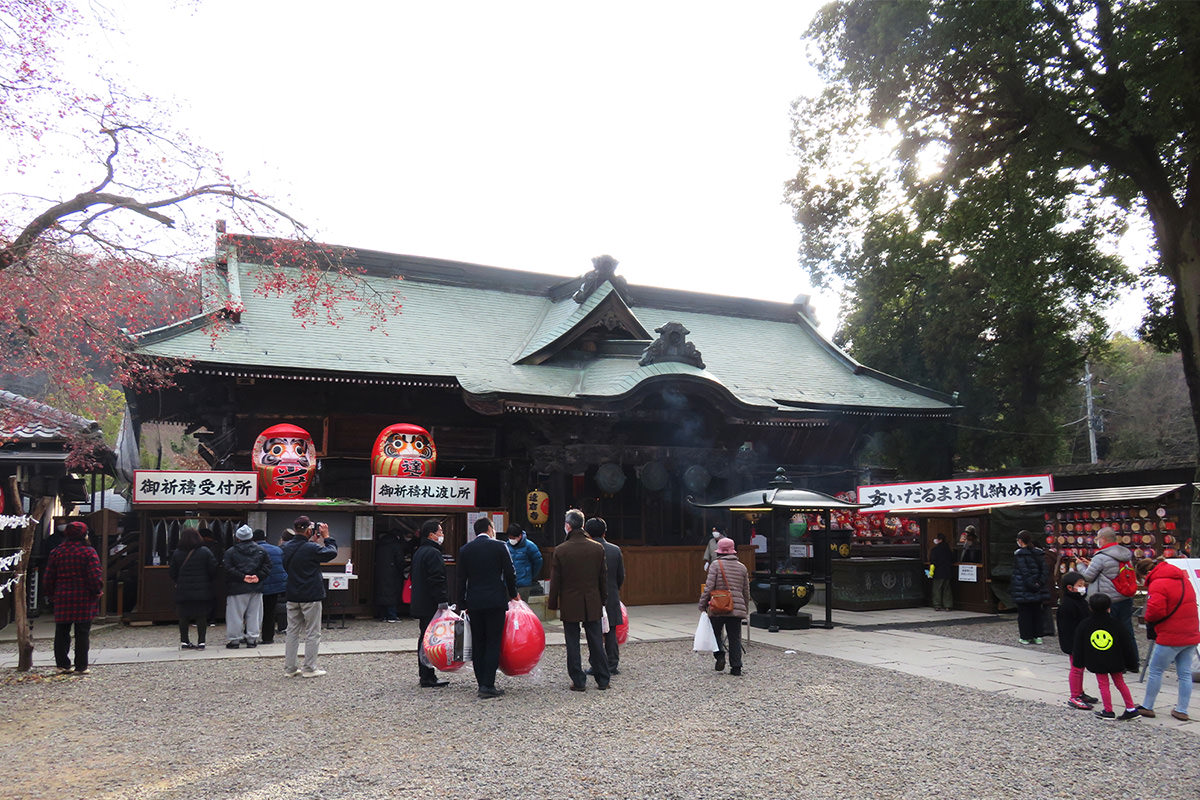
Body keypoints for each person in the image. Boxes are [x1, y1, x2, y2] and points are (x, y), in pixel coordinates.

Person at [456, 516, 518, 698]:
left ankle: (481, 682)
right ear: (490, 529)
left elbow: (461, 579)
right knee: (493, 642)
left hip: (474, 602)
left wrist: (462, 604)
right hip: (495, 601)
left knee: (478, 642)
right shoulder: (499, 546)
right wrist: (513, 594)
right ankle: (488, 684)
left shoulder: (465, 550)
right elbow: (510, 573)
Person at [548, 508, 609, 691]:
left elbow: (555, 581)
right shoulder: (597, 548)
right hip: (592, 599)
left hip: (569, 600)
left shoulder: (561, 550)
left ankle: (578, 680)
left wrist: (553, 603)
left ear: (568, 526)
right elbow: (602, 578)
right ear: (582, 525)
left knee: (572, 642)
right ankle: (603, 679)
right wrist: (603, 599)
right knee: (596, 640)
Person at [1135, 557, 1200, 721]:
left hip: (1170, 634)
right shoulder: (1183, 579)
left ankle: (1148, 706)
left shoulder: (1158, 583)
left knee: (1156, 670)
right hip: (1190, 632)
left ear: (1146, 573)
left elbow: (1156, 611)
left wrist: (1148, 619)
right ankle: (1182, 709)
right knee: (1185, 673)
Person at [281, 516, 338, 677]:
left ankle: (290, 668)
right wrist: (327, 537)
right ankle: (309, 668)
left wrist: (311, 540)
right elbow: (331, 553)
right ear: (308, 530)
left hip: (292, 594)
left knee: (292, 632)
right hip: (311, 594)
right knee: (313, 632)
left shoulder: (285, 547)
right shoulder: (311, 548)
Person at [43, 521, 103, 674]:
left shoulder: (56, 552)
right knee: (82, 632)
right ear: (84, 534)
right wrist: (97, 591)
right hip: (84, 597)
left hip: (62, 596)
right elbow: (94, 576)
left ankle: (62, 664)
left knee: (62, 631)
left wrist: (50, 594)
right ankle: (81, 666)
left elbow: (49, 577)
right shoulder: (89, 552)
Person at [1077, 526, 1138, 667]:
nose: (1097, 541)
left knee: (1111, 632)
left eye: (1097, 538)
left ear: (1103, 539)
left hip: (1108, 600)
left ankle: (1118, 663)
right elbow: (1110, 571)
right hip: (1124, 597)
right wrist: (1091, 564)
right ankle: (1133, 662)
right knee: (1127, 630)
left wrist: (1080, 566)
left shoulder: (1101, 556)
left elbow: (1088, 577)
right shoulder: (1125, 554)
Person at [1072, 592, 1140, 721]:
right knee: (1120, 683)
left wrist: (1078, 662)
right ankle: (1131, 708)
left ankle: (1108, 710)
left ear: (1090, 607)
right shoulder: (1117, 624)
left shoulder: (1085, 624)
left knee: (1103, 685)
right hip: (1116, 659)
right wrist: (1131, 663)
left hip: (1097, 660)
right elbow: (1127, 644)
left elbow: (1078, 645)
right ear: (1109, 608)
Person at [699, 537, 751, 676]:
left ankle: (720, 655)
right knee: (735, 637)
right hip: (736, 608)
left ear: (720, 552)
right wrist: (744, 608)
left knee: (715, 633)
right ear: (733, 551)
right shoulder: (742, 567)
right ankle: (736, 667)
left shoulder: (715, 565)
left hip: (718, 606)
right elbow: (746, 591)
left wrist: (702, 604)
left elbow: (709, 587)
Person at [410, 519, 450, 688]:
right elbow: (437, 579)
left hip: (421, 600)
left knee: (424, 637)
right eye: (440, 531)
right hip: (430, 602)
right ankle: (427, 675)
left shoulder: (420, 551)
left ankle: (426, 673)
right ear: (432, 534)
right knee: (429, 639)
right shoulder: (433, 553)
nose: (442, 535)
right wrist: (442, 600)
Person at [585, 516, 625, 674]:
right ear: (604, 533)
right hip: (611, 593)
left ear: (587, 532)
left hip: (591, 595)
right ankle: (612, 664)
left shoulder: (586, 549)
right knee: (611, 631)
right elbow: (620, 575)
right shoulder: (615, 550)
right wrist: (614, 588)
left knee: (594, 632)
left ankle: (596, 664)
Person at [169, 527, 218, 650]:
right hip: (202, 588)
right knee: (201, 616)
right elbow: (213, 568)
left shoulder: (177, 553)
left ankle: (184, 641)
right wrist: (207, 580)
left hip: (183, 589)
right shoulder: (205, 551)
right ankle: (201, 642)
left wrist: (178, 580)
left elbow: (172, 572)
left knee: (183, 616)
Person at [1056, 571, 1099, 710]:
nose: (1083, 587)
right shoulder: (1067, 605)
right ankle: (1074, 696)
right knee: (1076, 668)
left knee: (1080, 668)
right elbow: (1067, 628)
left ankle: (1080, 692)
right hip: (1074, 642)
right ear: (1070, 587)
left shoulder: (1081, 601)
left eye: (1083, 585)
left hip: (1082, 640)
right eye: (1079, 585)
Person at [223, 524, 270, 648]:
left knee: (235, 614)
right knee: (254, 614)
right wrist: (258, 576)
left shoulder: (230, 552)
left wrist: (242, 576)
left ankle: (234, 640)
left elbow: (228, 568)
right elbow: (268, 566)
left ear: (237, 537)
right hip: (256, 586)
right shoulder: (261, 550)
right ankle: (252, 639)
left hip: (236, 587)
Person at [1010, 530, 1049, 644]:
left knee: (1024, 614)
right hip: (1038, 588)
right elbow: (1045, 570)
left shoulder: (1019, 554)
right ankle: (1038, 636)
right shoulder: (1039, 553)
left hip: (1023, 588)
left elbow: (1024, 572)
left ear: (1020, 541)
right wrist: (1039, 583)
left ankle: (1026, 636)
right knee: (1037, 612)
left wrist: (1031, 584)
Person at [254, 529, 286, 644]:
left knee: (253, 612)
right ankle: (268, 638)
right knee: (270, 612)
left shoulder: (254, 550)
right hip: (275, 586)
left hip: (258, 585)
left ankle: (251, 636)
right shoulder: (277, 550)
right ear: (265, 538)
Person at [504, 524, 544, 601]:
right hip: (509, 584)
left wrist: (530, 575)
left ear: (520, 536)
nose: (511, 540)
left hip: (523, 584)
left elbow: (538, 562)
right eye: (510, 538)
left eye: (513, 538)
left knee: (522, 609)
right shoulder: (506, 546)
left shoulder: (530, 546)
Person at [373, 530, 404, 622]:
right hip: (393, 573)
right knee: (392, 594)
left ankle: (383, 615)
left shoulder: (379, 545)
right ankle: (392, 615)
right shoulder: (396, 546)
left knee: (382, 593)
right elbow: (400, 561)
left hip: (380, 572)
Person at [929, 533, 955, 611]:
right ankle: (948, 605)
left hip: (938, 572)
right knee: (947, 589)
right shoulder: (948, 549)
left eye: (937, 539)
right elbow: (952, 559)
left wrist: (931, 573)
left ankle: (937, 605)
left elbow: (933, 562)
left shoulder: (935, 550)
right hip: (947, 571)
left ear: (940, 540)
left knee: (937, 589)